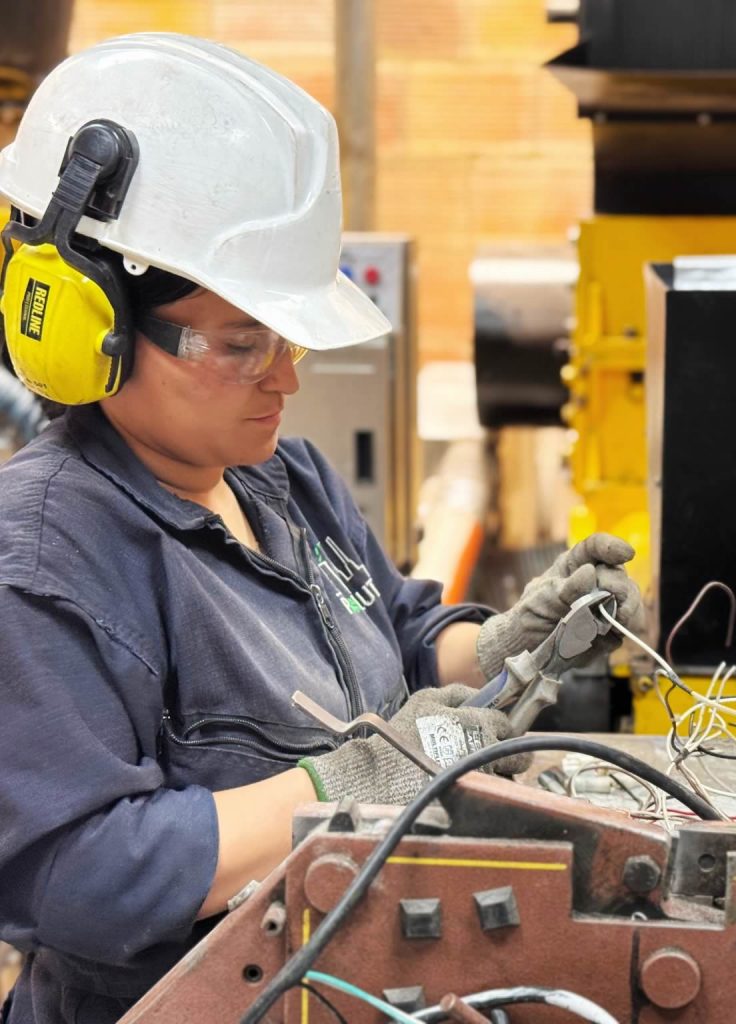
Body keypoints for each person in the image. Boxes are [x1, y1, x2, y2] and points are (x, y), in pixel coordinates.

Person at [0, 33, 645, 1024]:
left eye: (287, 340)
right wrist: (351, 783)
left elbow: (403, 636)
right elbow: (79, 876)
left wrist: (513, 641)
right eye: (242, 344)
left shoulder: (280, 477)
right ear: (95, 325)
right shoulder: (48, 554)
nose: (285, 380)